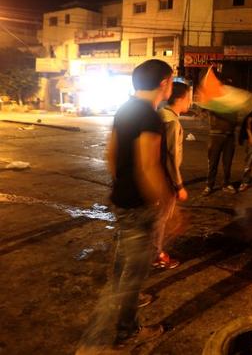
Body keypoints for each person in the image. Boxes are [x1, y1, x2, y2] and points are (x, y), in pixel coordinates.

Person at [77, 59, 172, 353]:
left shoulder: (126, 109)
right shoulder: (150, 116)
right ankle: (126, 332)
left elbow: (111, 153)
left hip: (121, 200)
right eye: (171, 80)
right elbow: (148, 166)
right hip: (139, 205)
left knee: (122, 263)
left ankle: (122, 304)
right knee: (135, 272)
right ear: (163, 83)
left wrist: (122, 185)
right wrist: (167, 202)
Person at [154, 81, 191, 269]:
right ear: (179, 98)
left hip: (156, 176)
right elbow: (171, 156)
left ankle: (154, 251)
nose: (190, 101)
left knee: (157, 218)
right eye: (189, 97)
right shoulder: (172, 122)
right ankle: (156, 254)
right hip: (165, 179)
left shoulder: (161, 115)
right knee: (160, 219)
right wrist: (178, 185)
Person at [203, 109, 238, 195]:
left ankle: (226, 183)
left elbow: (236, 119)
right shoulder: (215, 102)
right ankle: (209, 185)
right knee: (213, 162)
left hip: (229, 136)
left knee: (228, 163)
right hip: (215, 135)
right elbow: (204, 110)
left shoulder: (233, 103)